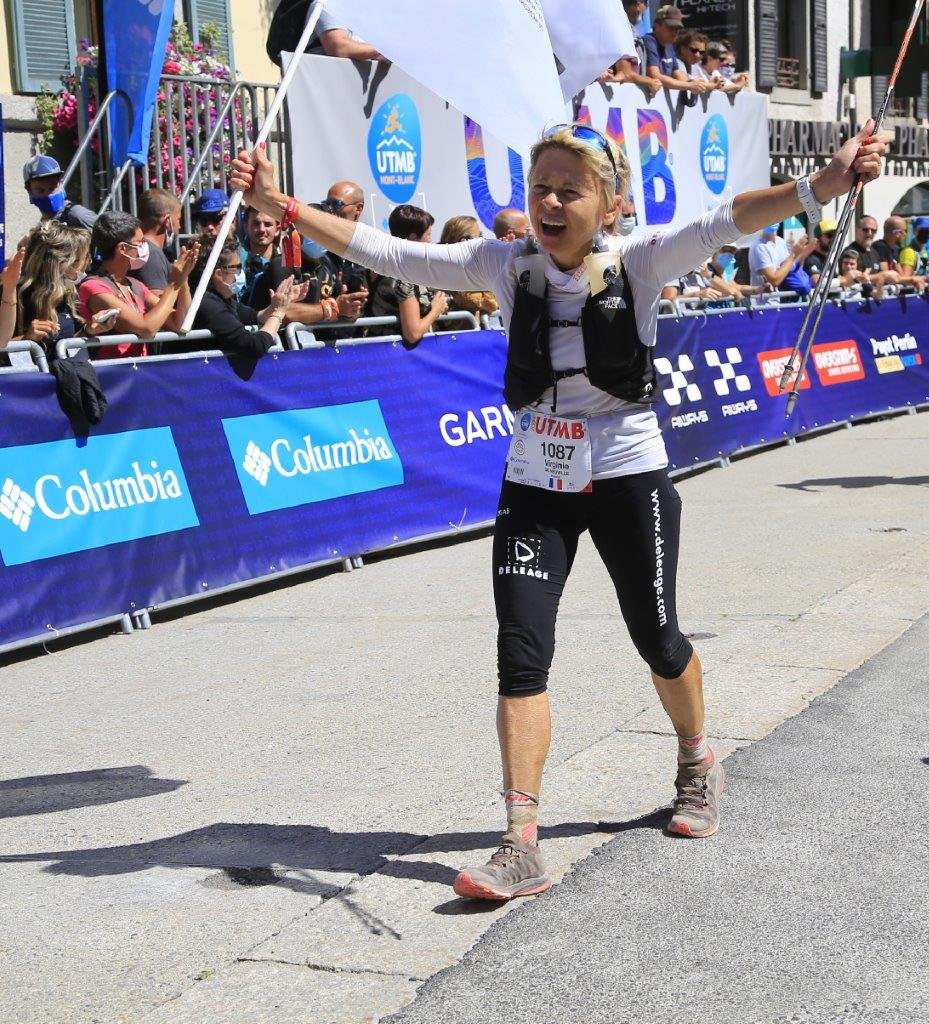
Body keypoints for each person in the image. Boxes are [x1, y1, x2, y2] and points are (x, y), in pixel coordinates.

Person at [231, 115, 890, 902]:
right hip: (535, 476)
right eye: (539, 187)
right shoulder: (503, 264)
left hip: (625, 471)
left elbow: (731, 220)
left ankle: (696, 761)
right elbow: (390, 252)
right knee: (521, 648)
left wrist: (821, 183)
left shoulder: (641, 260)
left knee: (657, 635)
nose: (548, 202)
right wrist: (283, 204)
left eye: (568, 190)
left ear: (607, 204)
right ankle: (520, 843)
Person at [79, 212, 198, 358]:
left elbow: (180, 324)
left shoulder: (135, 285)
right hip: (110, 374)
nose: (145, 247)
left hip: (138, 372)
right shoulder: (94, 287)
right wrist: (174, 283)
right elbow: (147, 329)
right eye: (140, 242)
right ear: (122, 248)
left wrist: (183, 279)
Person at [10, 222, 116, 362]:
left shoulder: (69, 293)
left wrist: (88, 330)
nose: (89, 263)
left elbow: (66, 346)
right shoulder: (14, 293)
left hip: (63, 379)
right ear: (62, 263)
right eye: (84, 258)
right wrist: (26, 339)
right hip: (28, 381)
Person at [190, 237, 307, 355]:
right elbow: (254, 346)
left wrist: (276, 305)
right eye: (237, 267)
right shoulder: (208, 304)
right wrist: (279, 313)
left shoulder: (223, 298)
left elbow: (254, 316)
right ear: (219, 274)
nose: (242, 273)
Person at [366, 204, 449, 346]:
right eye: (428, 235)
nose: (430, 240)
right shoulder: (403, 277)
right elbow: (413, 333)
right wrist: (436, 309)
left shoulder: (385, 265)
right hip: (395, 354)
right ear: (413, 238)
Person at [439, 216, 499, 323]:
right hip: (458, 334)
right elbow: (490, 304)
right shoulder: (445, 267)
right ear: (464, 240)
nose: (482, 240)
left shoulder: (474, 265)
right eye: (479, 236)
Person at [642, 7, 709, 102]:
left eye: (677, 28)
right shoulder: (649, 41)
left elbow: (678, 75)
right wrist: (689, 85)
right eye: (670, 27)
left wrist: (695, 84)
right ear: (656, 25)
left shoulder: (669, 46)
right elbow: (654, 75)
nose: (674, 32)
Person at [602, 0, 662, 98]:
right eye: (645, 3)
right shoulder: (620, 29)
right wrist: (650, 81)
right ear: (638, 4)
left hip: (627, 100)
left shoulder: (630, 30)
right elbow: (626, 74)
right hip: (616, 99)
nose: (646, 8)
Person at [23, 155, 98, 232]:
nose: (48, 195)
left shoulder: (78, 215)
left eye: (52, 188)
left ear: (61, 183)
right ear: (29, 191)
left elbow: (108, 236)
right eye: (41, 191)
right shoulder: (42, 226)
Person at [132, 188, 182, 294]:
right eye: (178, 219)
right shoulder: (152, 254)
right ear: (167, 221)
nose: (180, 226)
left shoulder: (144, 249)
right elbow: (158, 304)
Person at [748, 225, 816, 301]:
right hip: (764, 306)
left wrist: (802, 254)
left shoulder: (780, 241)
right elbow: (774, 280)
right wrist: (793, 254)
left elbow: (789, 269)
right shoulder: (760, 247)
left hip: (781, 302)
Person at [240, 206, 282, 307]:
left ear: (277, 230)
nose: (262, 229)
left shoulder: (286, 263)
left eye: (268, 224)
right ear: (246, 227)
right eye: (256, 223)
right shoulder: (236, 262)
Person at [802, 219, 837, 286]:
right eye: (829, 235)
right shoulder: (811, 259)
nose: (833, 239)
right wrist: (842, 281)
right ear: (818, 238)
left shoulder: (826, 259)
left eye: (835, 236)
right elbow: (816, 281)